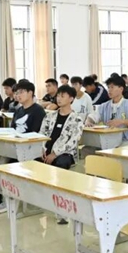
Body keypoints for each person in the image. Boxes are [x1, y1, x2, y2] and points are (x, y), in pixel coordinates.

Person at [0, 80, 46, 213]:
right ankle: (0, 194)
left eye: (21, 92)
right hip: (15, 146)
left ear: (30, 93)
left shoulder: (38, 111)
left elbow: (36, 134)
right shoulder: (19, 110)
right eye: (16, 92)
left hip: (30, 149)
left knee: (9, 165)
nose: (18, 95)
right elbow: (13, 129)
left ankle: (10, 199)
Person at [40, 85, 84, 224]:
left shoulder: (77, 119)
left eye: (62, 96)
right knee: (31, 162)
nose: (59, 98)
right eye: (58, 95)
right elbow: (41, 133)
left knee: (59, 165)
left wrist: (55, 153)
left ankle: (62, 210)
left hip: (65, 154)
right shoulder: (50, 115)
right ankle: (38, 199)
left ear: (71, 99)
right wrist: (42, 148)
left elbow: (74, 141)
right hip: (45, 152)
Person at [86, 75, 128, 146]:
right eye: (108, 87)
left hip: (127, 141)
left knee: (120, 151)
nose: (109, 90)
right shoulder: (104, 106)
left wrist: (121, 122)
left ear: (121, 89)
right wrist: (89, 121)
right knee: (87, 148)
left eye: (112, 87)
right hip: (109, 140)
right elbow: (93, 116)